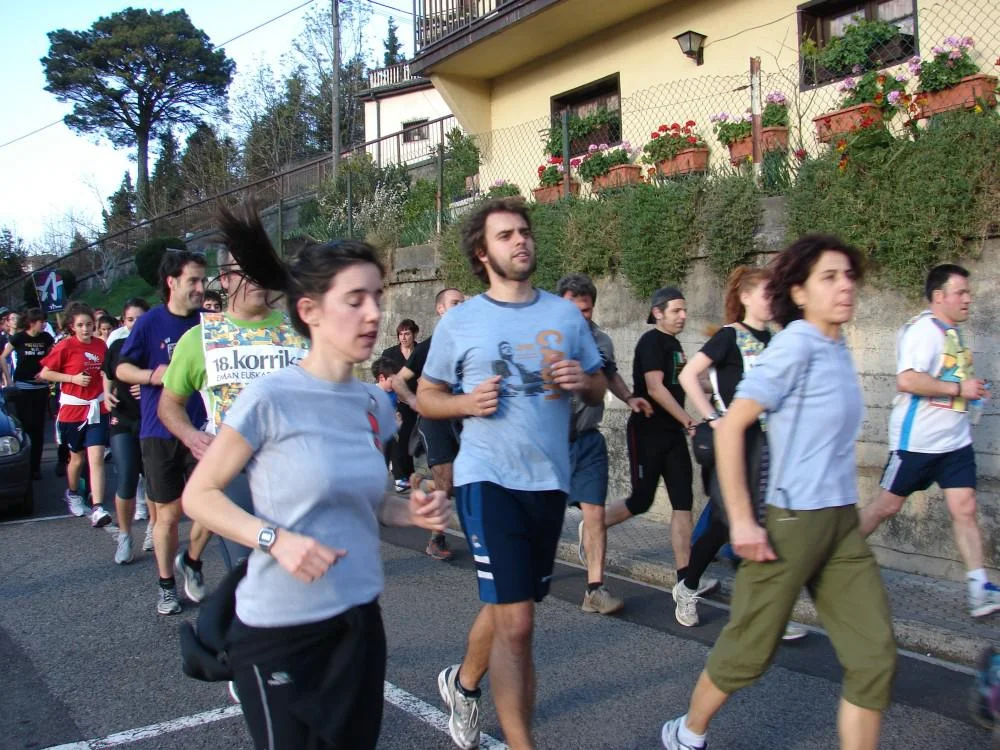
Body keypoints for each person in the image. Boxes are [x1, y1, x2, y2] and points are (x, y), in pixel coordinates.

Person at [181, 234, 452, 750]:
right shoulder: (269, 398)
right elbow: (200, 495)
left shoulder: (372, 402)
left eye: (376, 297)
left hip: (358, 624)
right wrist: (274, 539)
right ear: (310, 311)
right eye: (354, 300)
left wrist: (412, 511)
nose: (372, 313)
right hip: (279, 630)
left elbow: (370, 501)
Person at [660, 236, 897, 750]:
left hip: (839, 526)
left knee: (874, 657)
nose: (845, 286)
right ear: (800, 292)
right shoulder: (795, 345)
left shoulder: (836, 347)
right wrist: (743, 521)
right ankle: (687, 732)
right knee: (749, 652)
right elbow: (731, 428)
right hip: (788, 523)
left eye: (848, 275)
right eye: (829, 277)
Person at [417, 198, 606, 750]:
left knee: (509, 605)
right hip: (487, 478)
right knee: (518, 623)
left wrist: (582, 382)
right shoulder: (461, 321)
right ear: (482, 253)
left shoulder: (564, 317)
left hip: (548, 481)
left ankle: (463, 683)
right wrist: (465, 404)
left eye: (524, 231)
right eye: (506, 235)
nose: (521, 240)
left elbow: (598, 385)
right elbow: (427, 396)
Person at [159, 204, 311, 568]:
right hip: (234, 469)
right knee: (250, 571)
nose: (256, 278)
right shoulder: (200, 338)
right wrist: (191, 436)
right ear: (225, 280)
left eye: (261, 268)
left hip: (296, 472)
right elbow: (169, 404)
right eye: (246, 271)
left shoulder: (301, 330)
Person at [859, 264, 1000, 618]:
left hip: (954, 443)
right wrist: (958, 388)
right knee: (886, 507)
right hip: (917, 444)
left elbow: (951, 376)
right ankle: (829, 559)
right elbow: (907, 380)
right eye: (961, 293)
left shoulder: (952, 331)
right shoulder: (923, 331)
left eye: (968, 293)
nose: (968, 299)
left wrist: (971, 391)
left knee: (964, 507)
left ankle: (978, 588)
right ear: (939, 296)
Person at [674, 268, 808, 640]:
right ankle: (687, 588)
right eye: (766, 293)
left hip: (769, 443)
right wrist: (713, 417)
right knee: (724, 523)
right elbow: (688, 375)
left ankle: (768, 613)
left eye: (775, 294)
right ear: (746, 297)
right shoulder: (730, 336)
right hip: (735, 443)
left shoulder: (776, 339)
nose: (772, 300)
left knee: (765, 525)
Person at [116, 250, 211, 615]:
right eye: (193, 280)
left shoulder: (210, 324)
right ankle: (167, 586)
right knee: (168, 516)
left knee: (210, 508)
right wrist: (152, 375)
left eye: (203, 280)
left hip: (203, 430)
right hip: (159, 430)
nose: (201, 288)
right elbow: (122, 369)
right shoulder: (150, 323)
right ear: (172, 282)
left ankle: (192, 560)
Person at [556, 273, 652, 615]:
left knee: (595, 515)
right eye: (573, 309)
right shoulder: (542, 339)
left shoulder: (601, 341)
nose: (580, 317)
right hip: (548, 444)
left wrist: (630, 398)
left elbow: (609, 374)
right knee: (540, 517)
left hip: (587, 441)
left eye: (586, 310)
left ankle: (594, 589)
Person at [603, 287, 707, 595]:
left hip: (673, 434)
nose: (683, 316)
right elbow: (655, 388)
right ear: (658, 312)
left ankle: (685, 582)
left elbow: (687, 381)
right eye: (676, 310)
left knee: (683, 503)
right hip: (647, 432)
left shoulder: (675, 345)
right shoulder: (651, 341)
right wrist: (688, 419)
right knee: (641, 501)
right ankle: (593, 526)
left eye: (684, 310)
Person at [393, 287, 465, 561]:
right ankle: (437, 538)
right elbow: (399, 381)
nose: (461, 306)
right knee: (446, 478)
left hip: (464, 417)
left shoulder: (473, 341)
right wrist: (416, 402)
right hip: (435, 421)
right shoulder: (429, 347)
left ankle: (426, 485)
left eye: (463, 302)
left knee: (460, 483)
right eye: (455, 303)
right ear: (440, 309)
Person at [39, 302, 112, 526]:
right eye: (80, 325)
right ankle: (72, 493)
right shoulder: (65, 346)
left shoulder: (101, 345)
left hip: (97, 408)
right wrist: (73, 378)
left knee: (96, 456)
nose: (85, 329)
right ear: (72, 326)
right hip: (73, 410)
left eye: (89, 324)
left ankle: (98, 507)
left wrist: (109, 394)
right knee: (77, 458)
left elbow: (106, 373)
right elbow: (45, 373)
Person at [103, 298, 151, 564]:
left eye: (140, 319)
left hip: (151, 419)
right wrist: (106, 393)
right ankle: (124, 536)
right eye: (130, 319)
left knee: (153, 480)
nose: (135, 324)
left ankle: (154, 527)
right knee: (126, 478)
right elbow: (108, 374)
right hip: (122, 417)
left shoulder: (156, 346)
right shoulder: (117, 346)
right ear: (123, 322)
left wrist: (149, 385)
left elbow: (171, 376)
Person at [2, 308, 55, 479]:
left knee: (38, 427)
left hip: (40, 387)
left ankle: (35, 466)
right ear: (32, 322)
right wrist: (9, 380)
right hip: (23, 387)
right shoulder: (19, 338)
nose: (44, 324)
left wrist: (46, 372)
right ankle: (24, 463)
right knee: (26, 424)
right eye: (41, 321)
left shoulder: (46, 338)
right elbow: (2, 357)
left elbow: (53, 357)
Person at [383, 318, 419, 492]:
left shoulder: (421, 352)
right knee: (398, 438)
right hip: (396, 401)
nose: (403, 337)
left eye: (407, 334)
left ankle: (409, 473)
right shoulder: (390, 353)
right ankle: (399, 477)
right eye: (401, 334)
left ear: (414, 334)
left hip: (417, 401)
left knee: (411, 438)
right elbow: (384, 376)